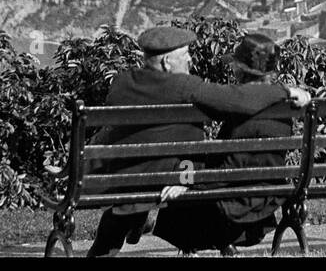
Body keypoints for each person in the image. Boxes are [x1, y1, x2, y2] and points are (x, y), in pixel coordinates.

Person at [85, 26, 311, 257]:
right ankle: (144, 222)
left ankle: (122, 234)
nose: (191, 60)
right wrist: (284, 90)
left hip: (125, 178)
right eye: (185, 55)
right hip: (169, 176)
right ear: (166, 63)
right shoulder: (184, 86)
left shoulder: (121, 83)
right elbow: (239, 100)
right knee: (182, 155)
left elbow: (112, 133)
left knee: (124, 208)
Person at [152, 33, 293, 255]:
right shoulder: (284, 105)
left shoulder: (237, 107)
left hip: (234, 197)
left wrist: (188, 181)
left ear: (239, 70)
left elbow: (227, 170)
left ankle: (197, 245)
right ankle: (221, 242)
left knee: (181, 187)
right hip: (268, 193)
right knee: (188, 181)